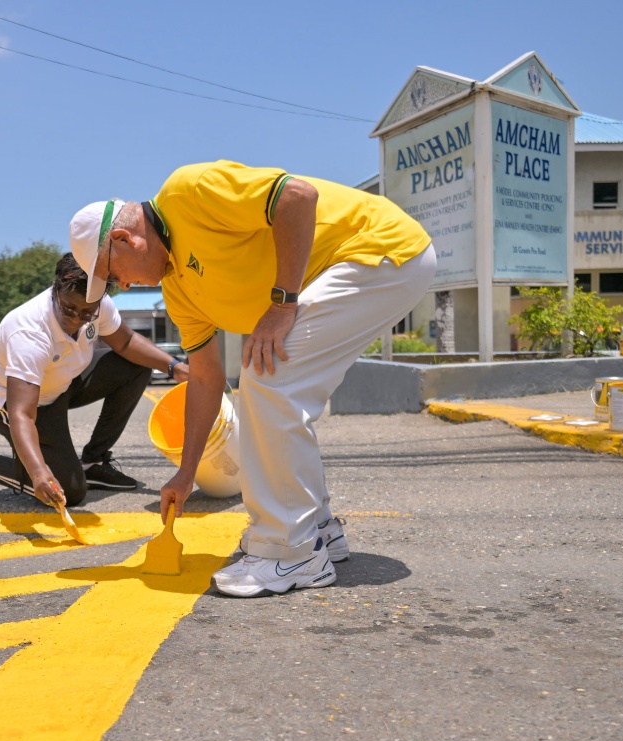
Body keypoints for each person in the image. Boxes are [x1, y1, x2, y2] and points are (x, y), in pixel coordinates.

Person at [69, 161, 435, 597]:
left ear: (124, 239)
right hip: (367, 267)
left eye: (112, 275)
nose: (121, 288)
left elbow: (297, 197)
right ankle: (316, 529)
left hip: (379, 249)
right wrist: (187, 474)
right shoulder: (179, 290)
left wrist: (282, 305)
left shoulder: (187, 192)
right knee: (270, 379)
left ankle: (290, 551)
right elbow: (205, 378)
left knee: (271, 379)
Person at [0, 253, 189, 508]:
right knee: (70, 492)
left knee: (138, 366)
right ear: (55, 289)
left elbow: (127, 342)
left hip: (62, 384)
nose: (75, 319)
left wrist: (175, 367)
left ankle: (93, 462)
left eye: (86, 312)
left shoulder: (98, 303)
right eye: (68, 308)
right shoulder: (30, 333)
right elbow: (23, 415)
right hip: (17, 402)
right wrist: (39, 474)